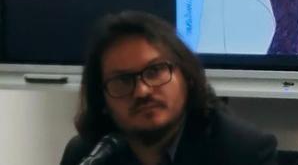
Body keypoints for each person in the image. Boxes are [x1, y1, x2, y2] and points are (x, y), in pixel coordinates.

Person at [60, 11, 277, 165]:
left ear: (187, 77)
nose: (142, 91)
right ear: (102, 100)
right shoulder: (88, 155)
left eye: (154, 71)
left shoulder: (243, 152)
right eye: (123, 80)